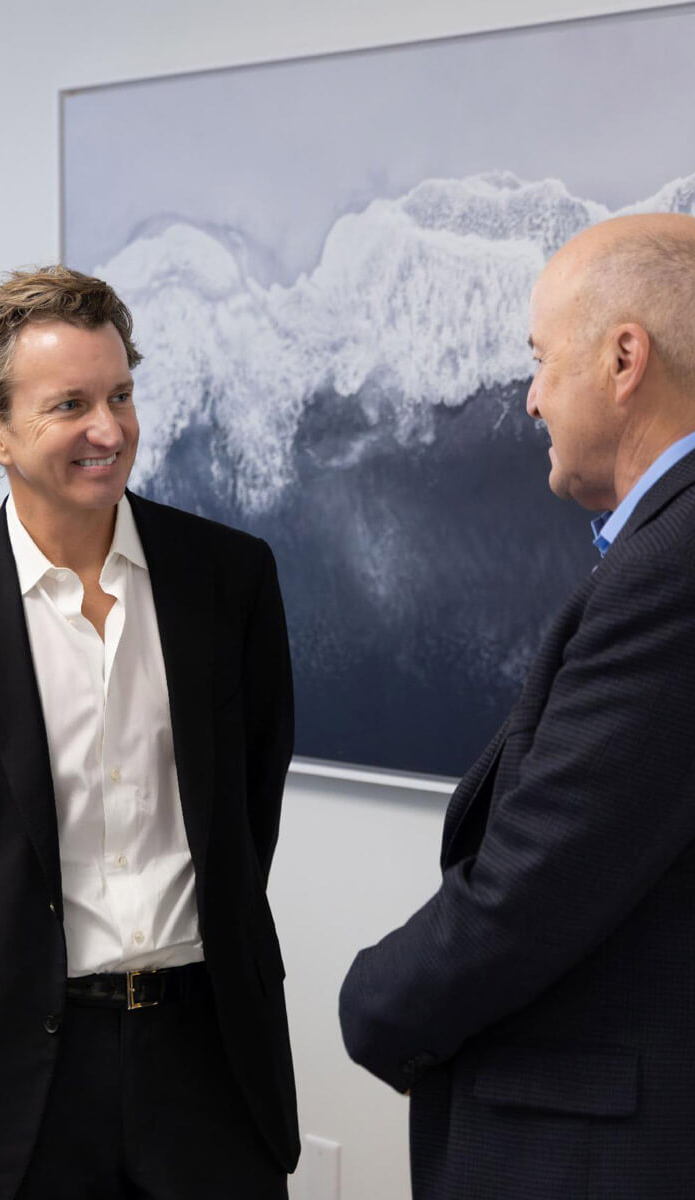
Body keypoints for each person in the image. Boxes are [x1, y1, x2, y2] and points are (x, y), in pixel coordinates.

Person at [0, 266, 299, 1200]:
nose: (110, 430)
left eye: (120, 394)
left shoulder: (229, 579)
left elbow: (250, 808)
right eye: (71, 404)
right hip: (13, 1077)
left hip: (208, 1055)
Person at [339, 213, 695, 1200]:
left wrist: (370, 1002)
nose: (530, 398)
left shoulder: (672, 565)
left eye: (540, 362)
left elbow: (540, 877)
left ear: (623, 358)